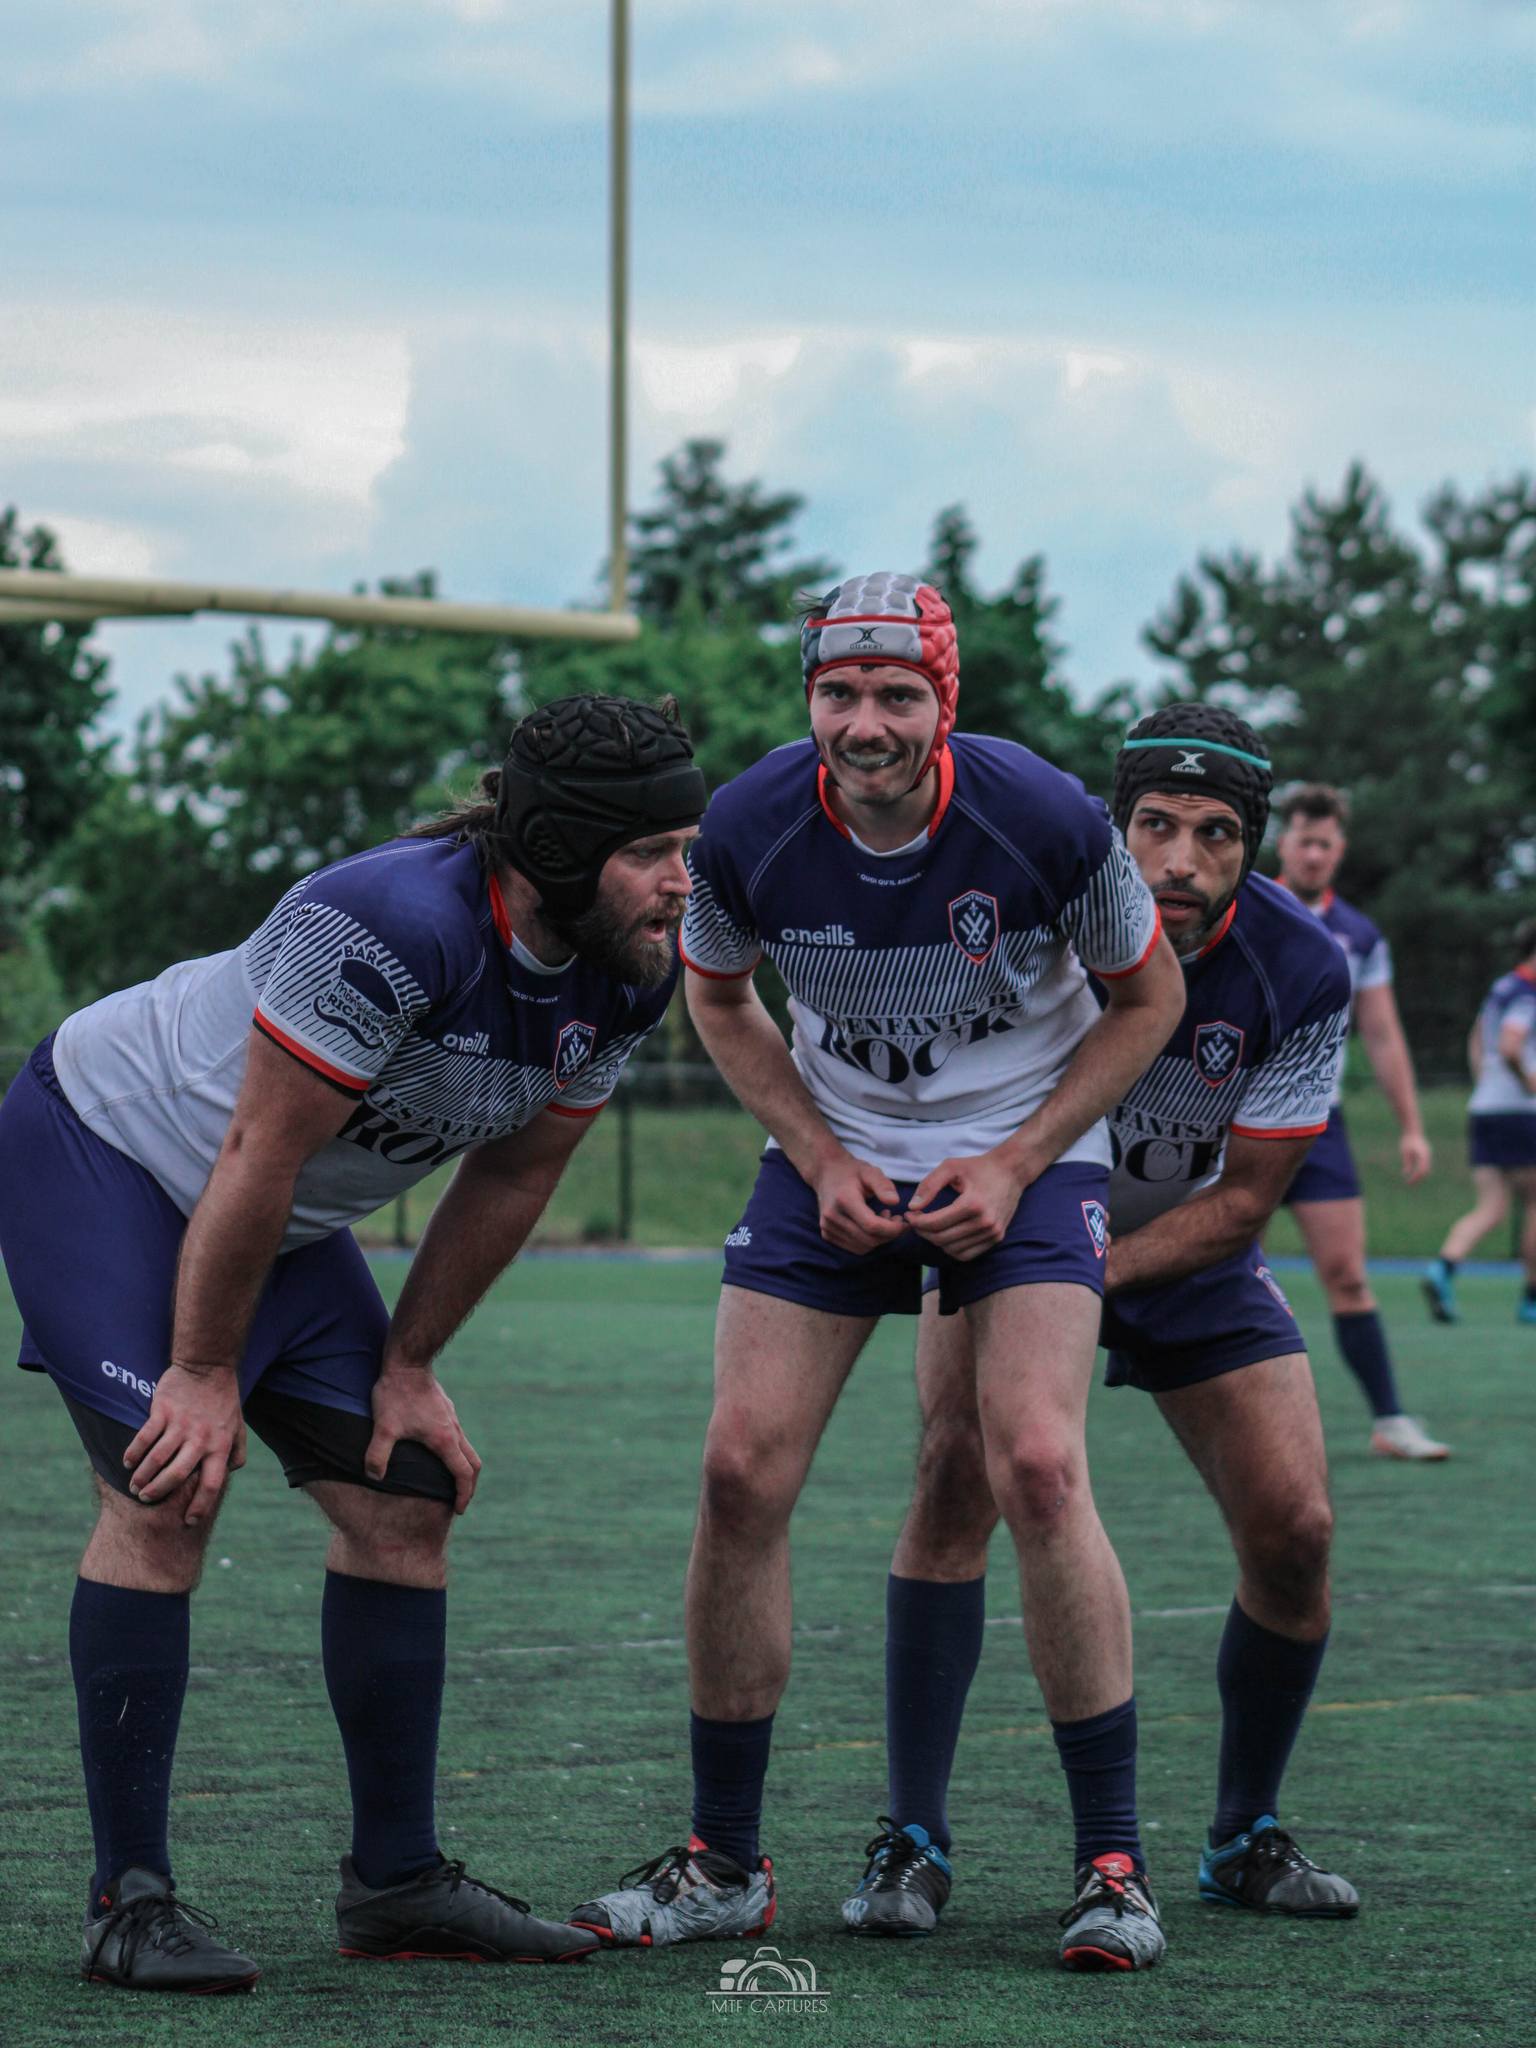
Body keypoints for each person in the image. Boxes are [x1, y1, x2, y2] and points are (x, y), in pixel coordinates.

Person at [0, 694, 707, 1993]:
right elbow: (255, 1153)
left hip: (267, 1207)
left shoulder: (628, 970)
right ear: (558, 849)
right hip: (108, 1152)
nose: (683, 881)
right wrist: (204, 1374)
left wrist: (409, 1365)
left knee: (405, 1493)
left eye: (688, 844)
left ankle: (394, 1885)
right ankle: (127, 1902)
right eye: (654, 850)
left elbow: (507, 1182)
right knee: (167, 1482)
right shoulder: (384, 924)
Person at [567, 572, 1185, 1974]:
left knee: (1034, 1460)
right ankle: (725, 1861)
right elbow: (718, 999)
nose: (865, 721)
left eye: (898, 693)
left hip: (1021, 1155)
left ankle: (1111, 1866)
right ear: (809, 703)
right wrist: (820, 1154)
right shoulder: (745, 825)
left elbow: (1153, 1000)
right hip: (835, 1155)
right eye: (838, 693)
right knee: (740, 1470)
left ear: (943, 703)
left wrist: (1021, 1162)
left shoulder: (1037, 817)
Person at [851, 704, 1361, 1943]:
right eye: (1154, 826)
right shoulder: (1029, 914)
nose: (1179, 860)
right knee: (953, 1477)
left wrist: (1088, 1276)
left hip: (1174, 1251)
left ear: (1252, 845)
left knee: (1297, 1527)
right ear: (1112, 824)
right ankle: (913, 1836)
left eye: (1215, 833)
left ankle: (1242, 1832)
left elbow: (1242, 1203)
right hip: (1008, 1230)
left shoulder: (1304, 968)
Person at [1272, 785, 1448, 1459]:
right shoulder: (1249, 907)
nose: (1314, 854)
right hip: (1231, 1123)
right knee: (1217, 1269)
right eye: (1303, 841)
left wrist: (1412, 1126)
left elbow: (1381, 1034)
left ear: (1339, 851)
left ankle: (1391, 1420)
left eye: (1325, 844)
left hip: (1319, 1126)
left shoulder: (1361, 934)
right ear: (1282, 844)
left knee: (1347, 1274)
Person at [1423, 918, 1536, 1326]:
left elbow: (1478, 1037)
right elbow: (1510, 1045)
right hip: (1520, 1112)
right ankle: (1530, 1300)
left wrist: (1483, 1079)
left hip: (1486, 1106)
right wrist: (1529, 1083)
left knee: (1490, 1207)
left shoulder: (1501, 988)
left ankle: (1443, 1269)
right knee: (1534, 1205)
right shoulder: (1527, 992)